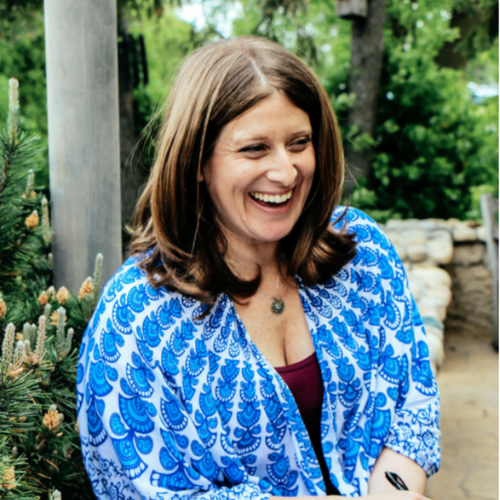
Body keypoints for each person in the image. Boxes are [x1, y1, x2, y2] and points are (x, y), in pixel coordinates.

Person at [77, 37, 440, 499]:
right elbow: (148, 490)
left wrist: (394, 493)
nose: (285, 172)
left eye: (299, 143)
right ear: (196, 161)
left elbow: (411, 405)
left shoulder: (361, 250)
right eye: (254, 149)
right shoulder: (135, 320)